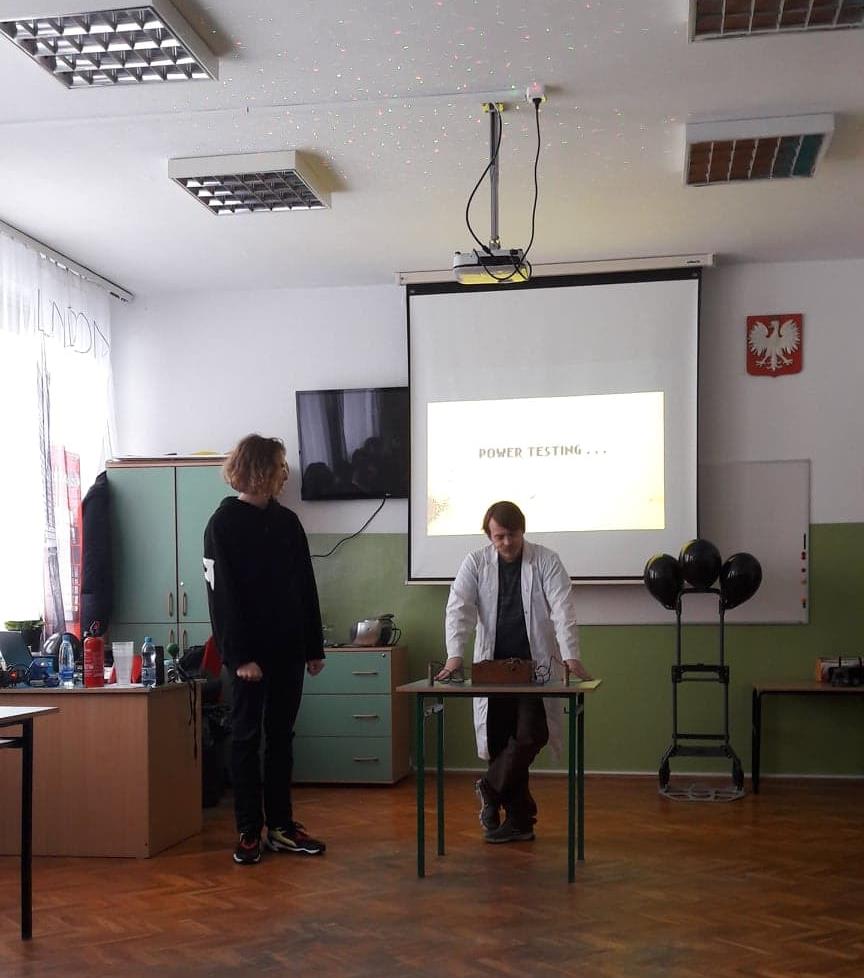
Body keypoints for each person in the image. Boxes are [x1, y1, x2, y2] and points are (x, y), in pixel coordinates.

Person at [203, 434, 327, 865]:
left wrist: (313, 646)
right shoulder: (222, 525)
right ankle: (247, 830)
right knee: (245, 739)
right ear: (258, 469)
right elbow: (221, 598)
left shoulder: (288, 523)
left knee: (281, 739)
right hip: (247, 660)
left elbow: (305, 587)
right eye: (278, 465)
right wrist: (239, 658)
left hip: (288, 651)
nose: (284, 473)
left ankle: (280, 826)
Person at [437, 500, 591, 844]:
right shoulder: (475, 563)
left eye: (513, 534)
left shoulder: (546, 560)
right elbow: (458, 609)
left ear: (523, 531)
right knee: (500, 744)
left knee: (531, 734)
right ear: (489, 535)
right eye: (500, 536)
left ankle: (489, 788)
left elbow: (563, 609)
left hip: (532, 670)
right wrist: (454, 657)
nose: (507, 542)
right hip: (492, 670)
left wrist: (571, 656)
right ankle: (519, 821)